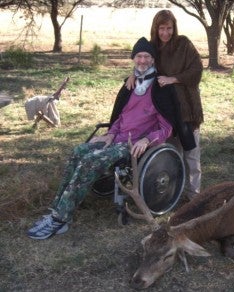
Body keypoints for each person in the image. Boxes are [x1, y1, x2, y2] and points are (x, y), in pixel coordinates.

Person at [27, 37, 195, 240]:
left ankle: (61, 218)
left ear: (152, 60)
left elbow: (167, 127)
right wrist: (110, 134)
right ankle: (56, 209)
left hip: (135, 143)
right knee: (78, 152)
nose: (142, 60)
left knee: (91, 161)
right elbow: (119, 117)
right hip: (117, 138)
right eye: (138, 56)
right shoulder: (129, 84)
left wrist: (147, 140)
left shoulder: (161, 89)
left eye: (146, 57)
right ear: (134, 59)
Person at [126, 10, 204, 200]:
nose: (166, 33)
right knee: (169, 153)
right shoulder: (153, 47)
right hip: (164, 110)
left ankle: (194, 194)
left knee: (191, 154)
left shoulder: (183, 44)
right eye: (162, 28)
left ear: (174, 28)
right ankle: (171, 192)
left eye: (169, 28)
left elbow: (197, 70)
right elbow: (143, 64)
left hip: (185, 107)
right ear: (156, 28)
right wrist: (132, 74)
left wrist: (173, 79)